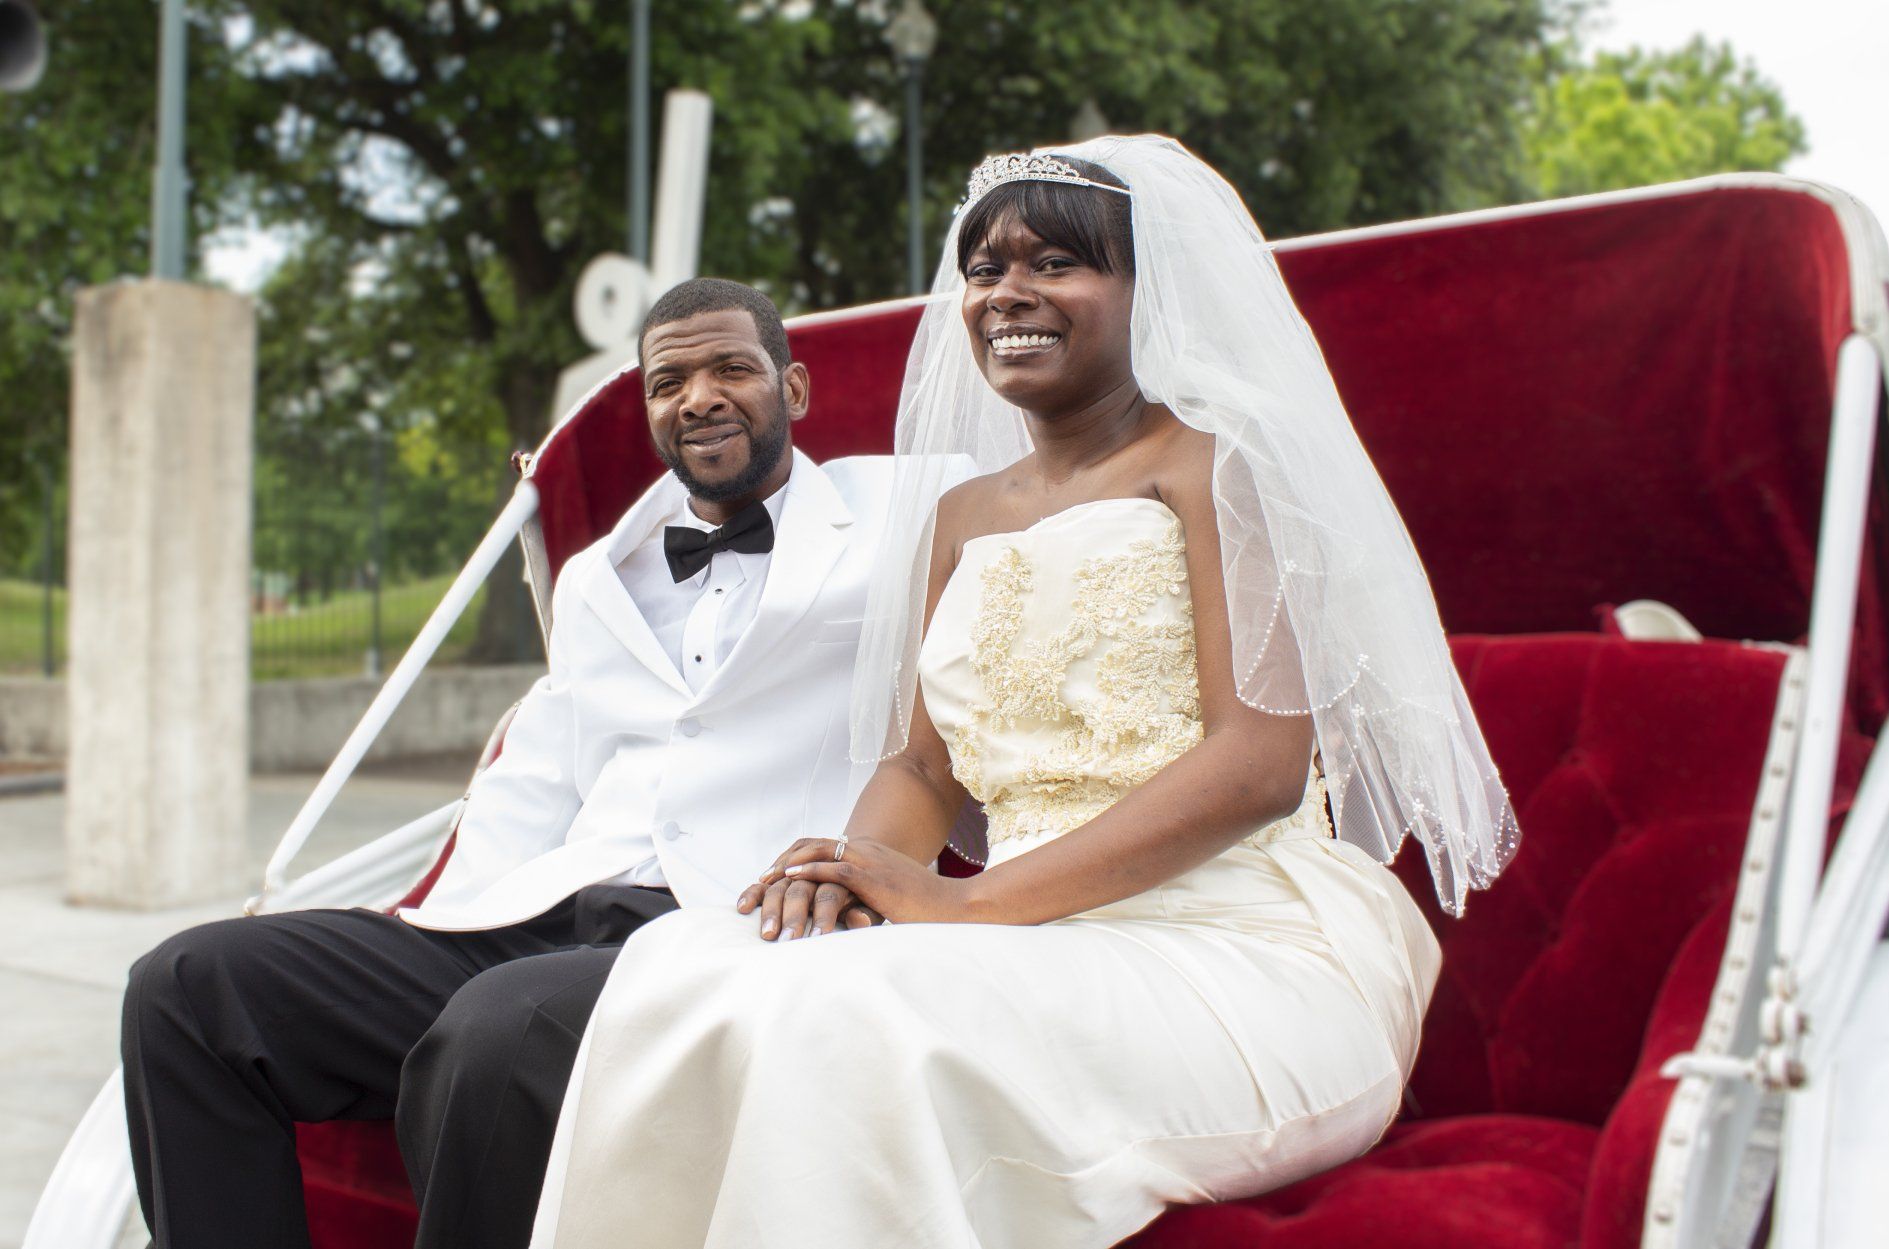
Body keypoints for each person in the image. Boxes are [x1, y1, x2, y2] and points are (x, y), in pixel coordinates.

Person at [529, 137, 1521, 1249]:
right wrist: (858, 879)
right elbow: (917, 765)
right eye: (986, 267)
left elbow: (1259, 763)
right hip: (1018, 942)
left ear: (1149, 292)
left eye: (1056, 262)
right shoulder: (959, 515)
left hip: (1234, 941)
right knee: (682, 971)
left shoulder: (1218, 464)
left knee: (847, 1021)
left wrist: (962, 903)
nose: (1010, 292)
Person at [118, 277, 906, 1249]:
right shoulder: (596, 576)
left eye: (731, 368)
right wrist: (421, 929)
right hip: (542, 915)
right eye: (669, 381)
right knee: (189, 983)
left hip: (729, 929)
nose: (699, 396)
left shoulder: (899, 521)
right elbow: (539, 777)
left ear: (794, 389)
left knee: (503, 1029)